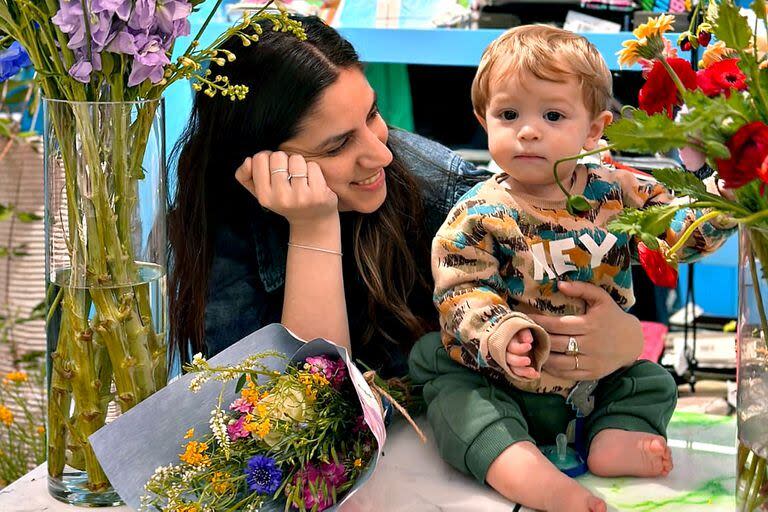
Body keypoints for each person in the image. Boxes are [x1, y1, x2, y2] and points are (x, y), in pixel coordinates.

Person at [168, 12, 649, 478]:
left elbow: (563, 305)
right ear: (262, 163)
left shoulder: (440, 187)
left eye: (372, 113)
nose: (380, 152)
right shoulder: (222, 228)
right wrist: (313, 229)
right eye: (337, 146)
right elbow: (303, 425)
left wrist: (625, 340)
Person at [411, 25, 735, 512]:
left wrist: (728, 198)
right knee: (450, 388)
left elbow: (684, 232)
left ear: (594, 129)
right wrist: (503, 333)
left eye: (553, 115)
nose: (527, 129)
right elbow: (461, 291)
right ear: (483, 118)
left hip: (598, 379)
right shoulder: (479, 214)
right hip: (503, 380)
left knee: (651, 381)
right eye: (508, 114)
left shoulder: (623, 190)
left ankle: (616, 438)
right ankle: (521, 468)